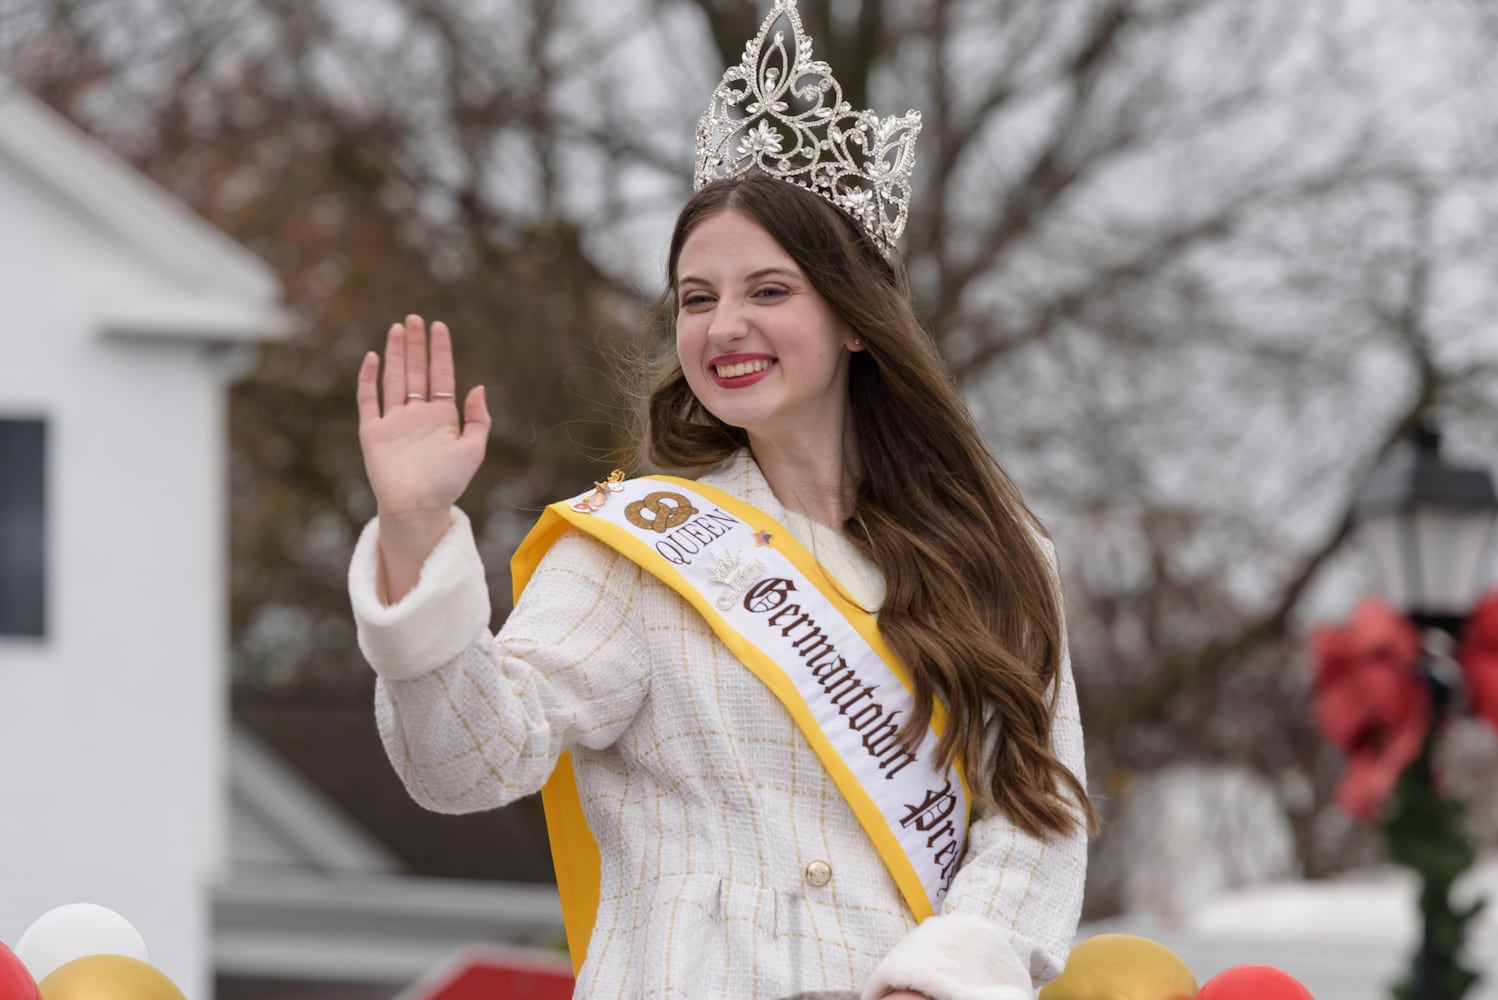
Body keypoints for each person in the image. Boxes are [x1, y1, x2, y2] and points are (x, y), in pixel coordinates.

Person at [349, 3, 1094, 998]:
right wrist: (414, 529)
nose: (724, 326)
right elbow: (468, 761)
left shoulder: (997, 554)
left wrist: (942, 975)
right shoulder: (634, 547)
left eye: (769, 291)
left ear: (857, 319)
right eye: (697, 298)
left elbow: (1036, 815)